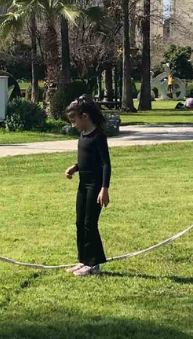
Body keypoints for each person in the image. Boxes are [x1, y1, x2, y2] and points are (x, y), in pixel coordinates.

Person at [64, 96, 111, 277]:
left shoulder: (98, 136)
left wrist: (104, 189)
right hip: (83, 184)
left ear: (84, 116)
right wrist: (75, 167)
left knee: (90, 224)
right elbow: (86, 160)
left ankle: (94, 264)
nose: (73, 124)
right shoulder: (82, 135)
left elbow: (105, 164)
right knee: (79, 223)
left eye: (74, 120)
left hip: (95, 185)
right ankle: (83, 260)